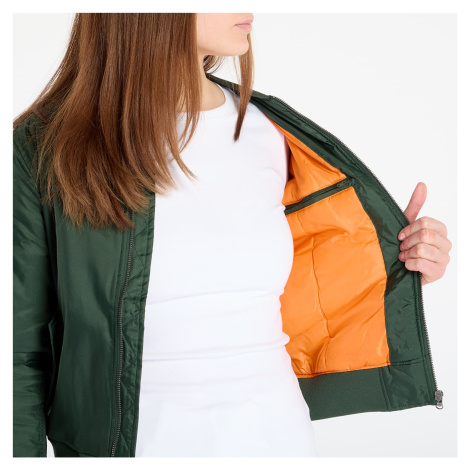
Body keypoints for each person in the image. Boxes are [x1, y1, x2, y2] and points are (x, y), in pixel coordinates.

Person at [13, 13, 452, 458]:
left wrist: (396, 260)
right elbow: (17, 353)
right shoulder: (48, 146)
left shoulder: (272, 131)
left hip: (279, 442)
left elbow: (302, 281)